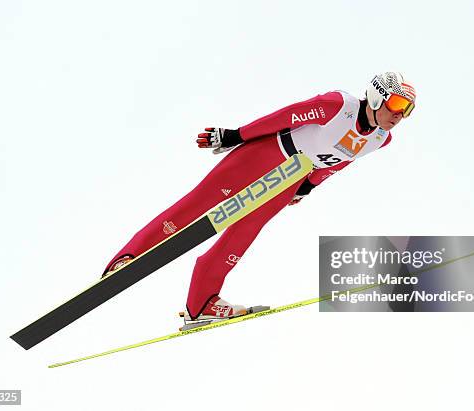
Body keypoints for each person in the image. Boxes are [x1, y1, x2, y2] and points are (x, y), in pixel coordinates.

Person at [101, 71, 417, 326]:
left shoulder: (381, 139)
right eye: (397, 106)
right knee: (198, 205)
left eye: (406, 111)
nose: (399, 116)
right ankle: (131, 255)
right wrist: (236, 135)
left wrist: (308, 186)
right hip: (266, 155)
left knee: (244, 233)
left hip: (292, 177)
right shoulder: (339, 105)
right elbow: (285, 117)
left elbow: (342, 160)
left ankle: (202, 301)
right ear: (377, 96)